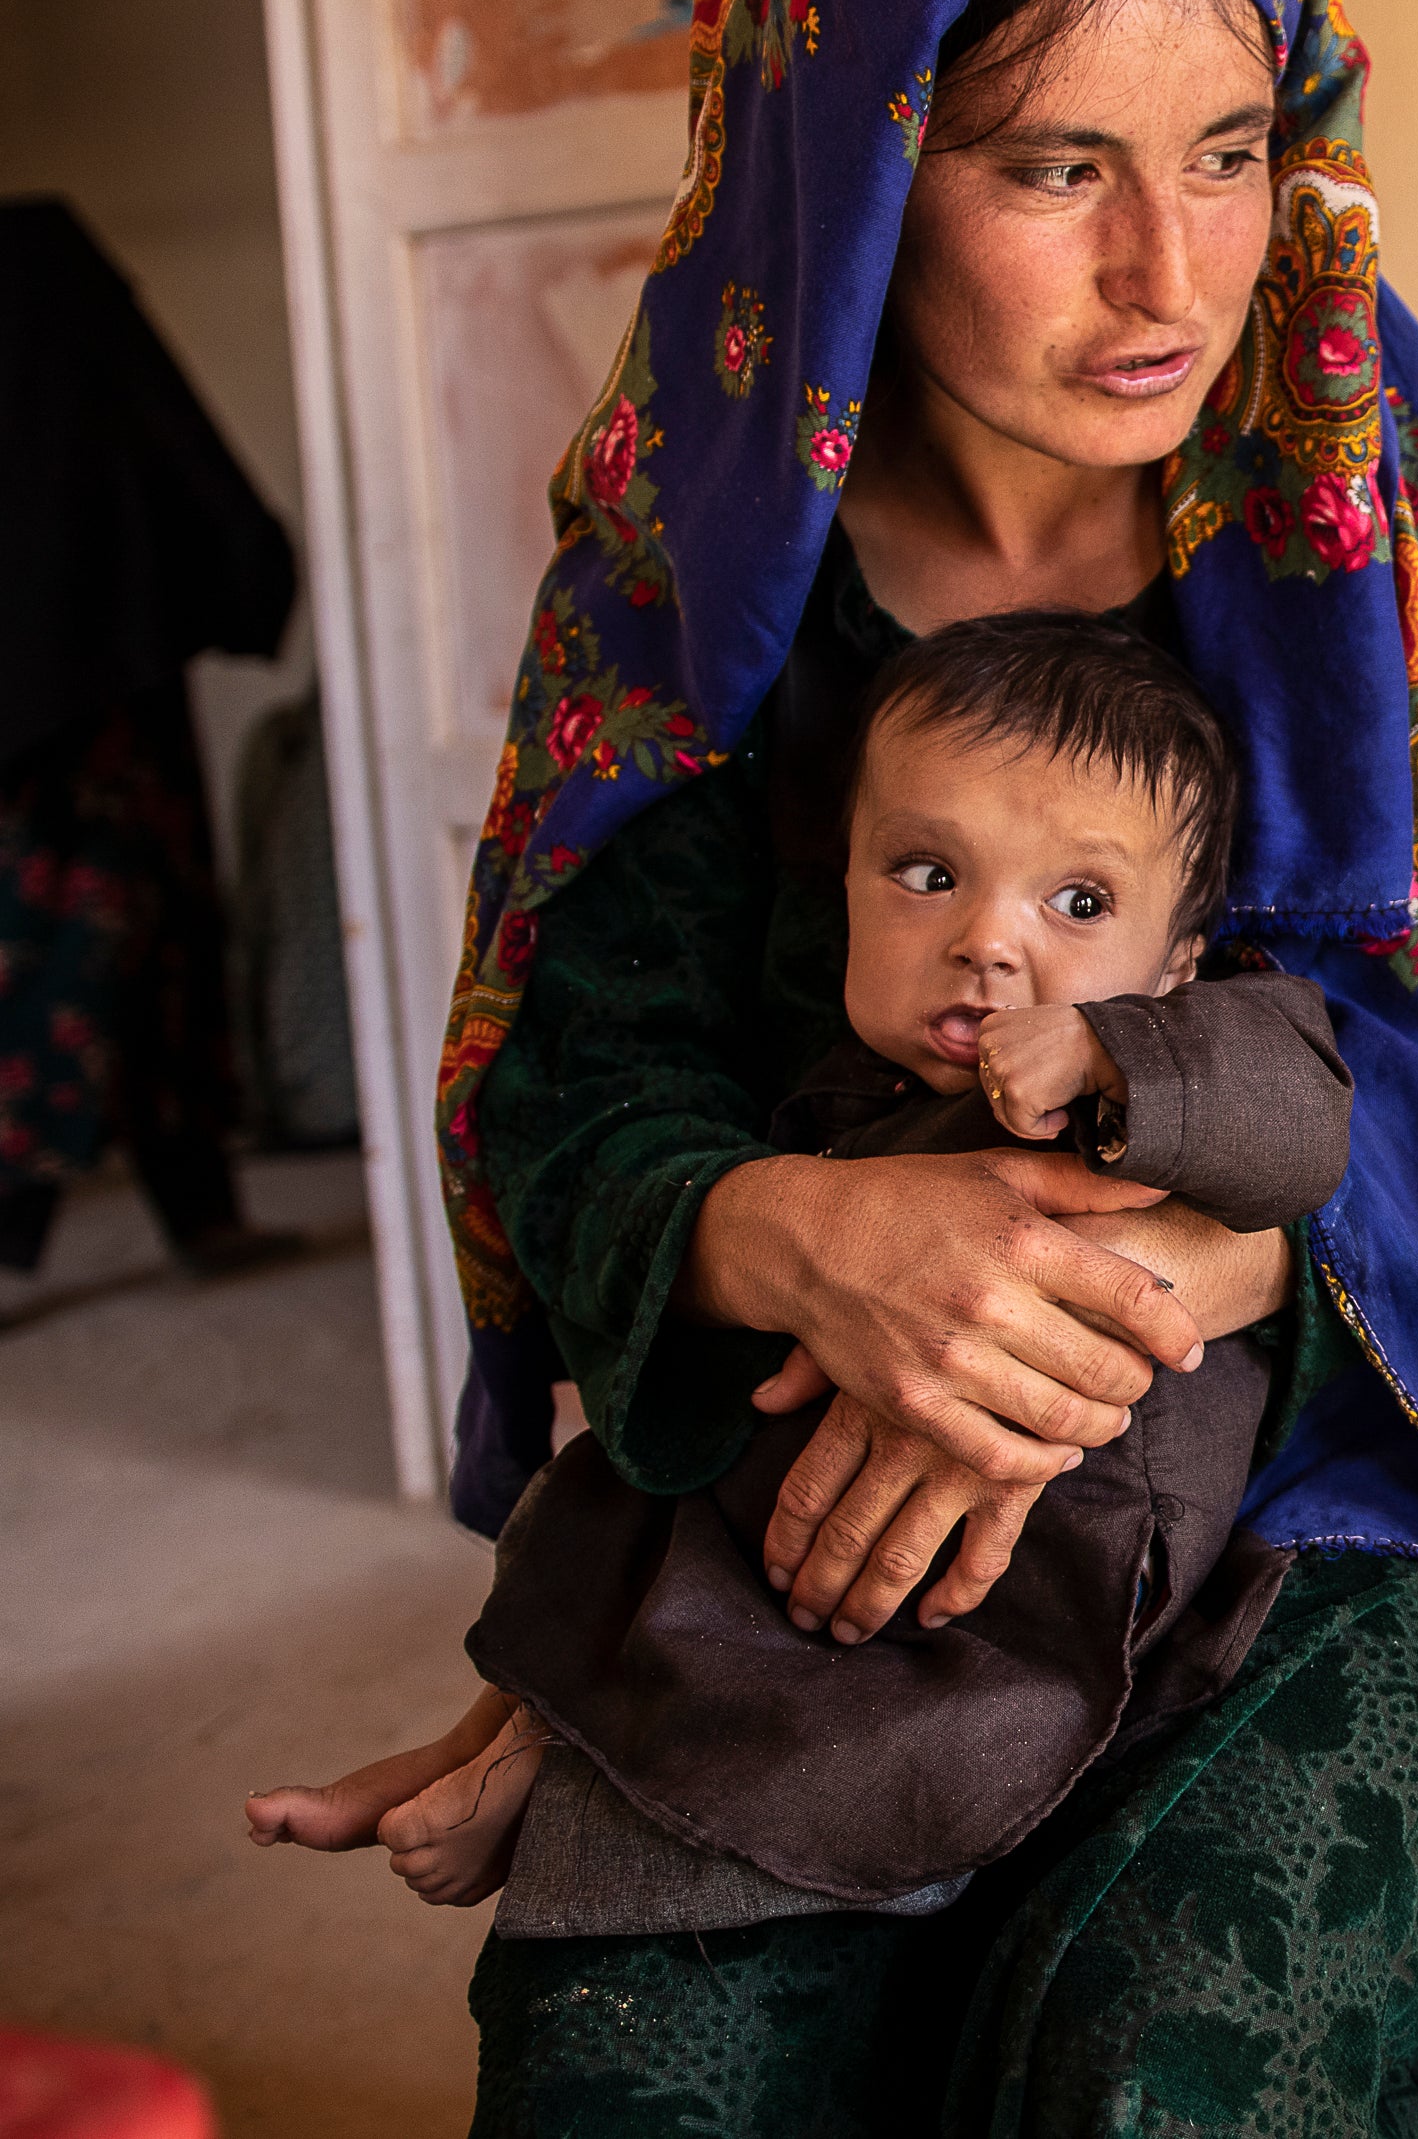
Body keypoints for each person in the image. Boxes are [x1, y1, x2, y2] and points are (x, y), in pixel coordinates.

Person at [364, 0, 1418, 2130]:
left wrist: (1060, 1314)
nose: (1174, 272)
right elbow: (581, 1079)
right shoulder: (701, 555)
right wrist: (805, 1241)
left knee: (1159, 2070)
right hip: (801, 1470)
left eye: (1230, 150)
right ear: (843, 149)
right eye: (1057, 167)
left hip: (1319, 1493)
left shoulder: (1388, 526)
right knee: (627, 2078)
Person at [245, 610, 1354, 1926]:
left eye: (1080, 901)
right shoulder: (843, 1081)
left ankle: (592, 1789)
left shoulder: (1209, 1033)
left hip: (1051, 1548)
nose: (989, 942)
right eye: (926, 872)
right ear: (841, 886)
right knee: (612, 1488)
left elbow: (1303, 1120)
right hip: (806, 1468)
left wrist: (1124, 1057)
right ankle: (515, 1736)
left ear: (1179, 955)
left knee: (849, 1721)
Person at [0, 200, 303, 1275]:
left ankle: (195, 1205)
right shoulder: (43, 262)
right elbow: (163, 426)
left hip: (93, 659)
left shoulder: (40, 259)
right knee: (99, 937)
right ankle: (88, 1210)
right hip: (92, 659)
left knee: (142, 931)